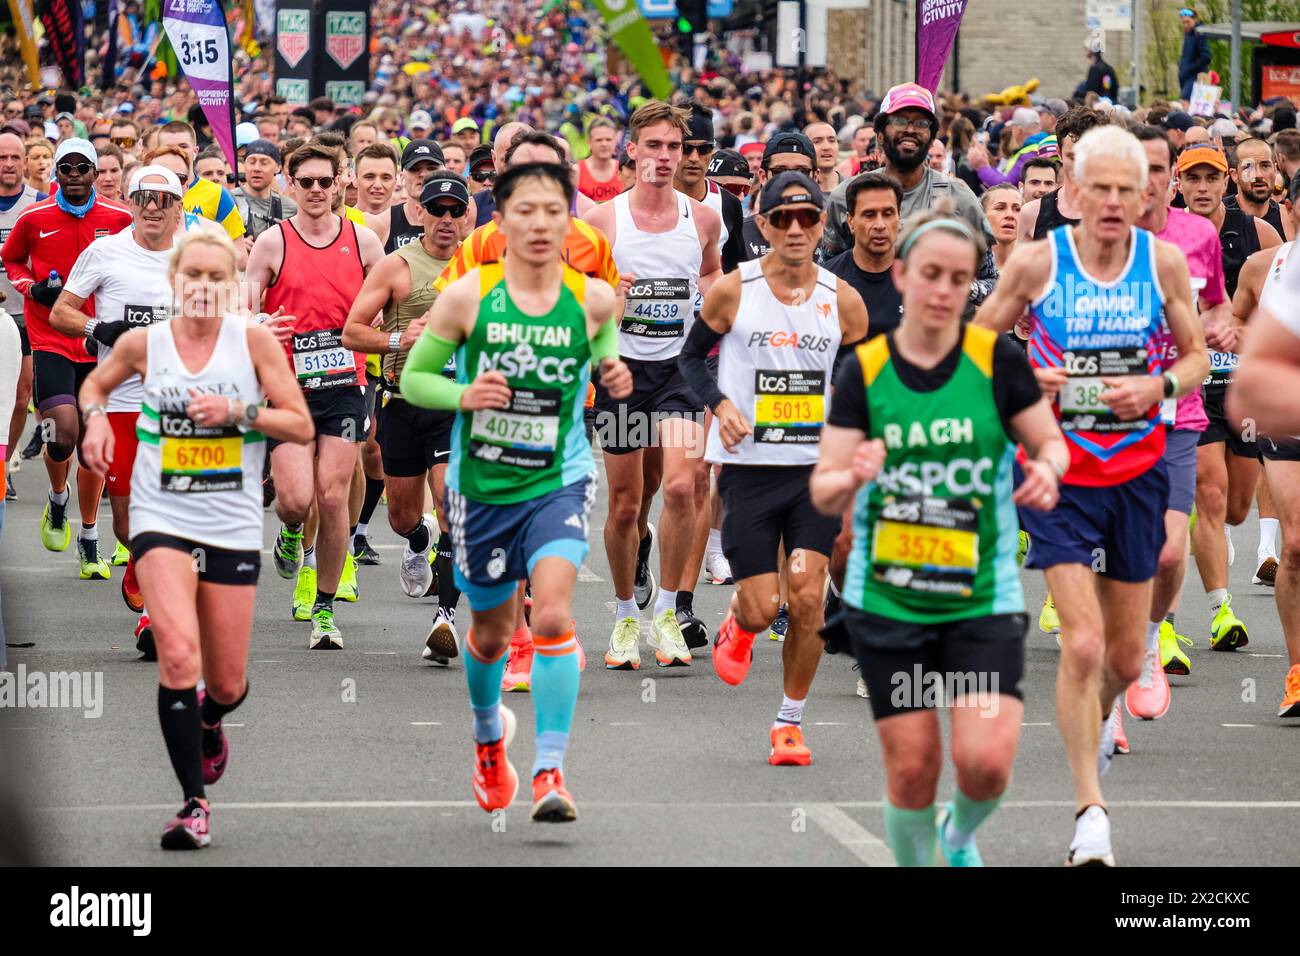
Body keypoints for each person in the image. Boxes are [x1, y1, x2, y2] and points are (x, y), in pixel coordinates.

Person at [975, 125, 1208, 866]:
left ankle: (1102, 716)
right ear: (1072, 191)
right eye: (1096, 187)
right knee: (1078, 644)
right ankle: (1091, 818)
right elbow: (976, 343)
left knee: (1117, 656)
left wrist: (1159, 384)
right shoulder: (1039, 262)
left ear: (1145, 196)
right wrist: (1022, 377)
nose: (1111, 202)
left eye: (1125, 189)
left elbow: (1199, 355)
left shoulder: (1163, 263)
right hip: (1058, 472)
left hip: (1136, 473)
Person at [812, 205, 1067, 866]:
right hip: (890, 600)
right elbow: (824, 487)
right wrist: (851, 475)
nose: (943, 289)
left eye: (959, 277)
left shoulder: (997, 360)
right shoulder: (863, 370)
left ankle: (957, 835)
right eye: (930, 273)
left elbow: (1051, 443)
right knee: (914, 768)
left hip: (981, 596)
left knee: (984, 765)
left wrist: (1045, 469)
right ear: (901, 276)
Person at [400, 161, 630, 823]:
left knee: (553, 616)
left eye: (552, 210)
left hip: (558, 476)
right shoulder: (468, 295)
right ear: (500, 219)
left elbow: (604, 338)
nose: (538, 223)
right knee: (493, 637)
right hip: (482, 486)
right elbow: (414, 379)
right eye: (523, 211)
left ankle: (550, 770)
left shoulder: (592, 298)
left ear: (570, 220)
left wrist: (610, 365)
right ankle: (486, 736)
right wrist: (464, 393)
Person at [79, 229, 313, 849]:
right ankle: (193, 805)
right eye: (194, 277)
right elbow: (95, 386)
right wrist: (97, 421)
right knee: (179, 656)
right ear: (174, 282)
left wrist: (239, 414)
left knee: (228, 682)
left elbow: (299, 421)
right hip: (163, 519)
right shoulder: (143, 344)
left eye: (218, 278)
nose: (205, 288)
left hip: (231, 522)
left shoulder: (253, 343)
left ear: (232, 285)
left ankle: (211, 718)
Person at [682, 171, 866, 765]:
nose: (794, 228)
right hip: (749, 469)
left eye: (807, 217)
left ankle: (789, 722)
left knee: (809, 597)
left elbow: (864, 375)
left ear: (820, 225)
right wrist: (721, 405)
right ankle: (742, 618)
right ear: (761, 224)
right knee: (765, 607)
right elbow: (689, 359)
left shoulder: (842, 299)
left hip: (814, 471)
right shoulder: (736, 289)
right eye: (781, 218)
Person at [437, 129, 621, 689]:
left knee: (550, 525)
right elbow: (447, 316)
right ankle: (513, 641)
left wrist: (600, 356)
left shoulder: (590, 242)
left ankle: (549, 627)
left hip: (565, 406)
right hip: (493, 419)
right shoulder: (480, 245)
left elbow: (609, 307)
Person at [582, 101, 723, 670]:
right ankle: (622, 618)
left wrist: (709, 299)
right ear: (632, 150)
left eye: (676, 148)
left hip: (680, 372)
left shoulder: (704, 218)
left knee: (685, 488)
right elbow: (580, 295)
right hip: (622, 373)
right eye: (655, 146)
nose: (665, 158)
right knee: (625, 505)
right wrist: (611, 293)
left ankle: (666, 611)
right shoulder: (601, 222)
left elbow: (712, 270)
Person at [245, 142, 386, 648]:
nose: (317, 191)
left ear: (340, 182)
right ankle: (287, 533)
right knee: (294, 500)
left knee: (331, 495)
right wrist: (262, 324)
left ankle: (324, 609)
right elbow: (245, 311)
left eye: (326, 181)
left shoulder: (365, 242)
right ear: (290, 183)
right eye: (306, 182)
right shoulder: (271, 243)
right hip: (287, 389)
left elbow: (387, 307)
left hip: (345, 385)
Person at [50, 165, 189, 656]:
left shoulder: (198, 255)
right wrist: (97, 328)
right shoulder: (105, 252)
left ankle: (155, 616)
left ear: (179, 205)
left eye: (162, 199)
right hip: (122, 405)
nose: (152, 206)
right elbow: (60, 310)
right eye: (143, 197)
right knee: (129, 524)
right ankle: (137, 563)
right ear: (130, 202)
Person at [343, 171, 473, 664]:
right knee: (401, 516)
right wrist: (401, 340)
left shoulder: (482, 265)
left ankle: (445, 618)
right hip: (401, 399)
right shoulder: (398, 266)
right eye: (435, 209)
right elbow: (352, 331)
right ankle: (419, 538)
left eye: (453, 210)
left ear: (466, 217)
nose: (444, 219)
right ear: (418, 212)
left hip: (455, 404)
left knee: (449, 502)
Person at [1, 138, 133, 575]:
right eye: (66, 168)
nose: (74, 175)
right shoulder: (34, 217)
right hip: (51, 338)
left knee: (95, 446)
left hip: (102, 342)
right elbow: (13, 260)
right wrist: (30, 289)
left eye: (83, 167)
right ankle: (59, 502)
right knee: (62, 433)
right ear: (55, 173)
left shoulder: (119, 218)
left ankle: (90, 535)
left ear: (96, 172)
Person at [1178, 142, 1280, 651]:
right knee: (1212, 492)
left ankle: (1204, 524)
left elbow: (1281, 294)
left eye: (1210, 179)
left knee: (1237, 507)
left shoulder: (1257, 232)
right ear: (1179, 185)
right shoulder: (1164, 235)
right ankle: (1221, 612)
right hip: (1192, 384)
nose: (1201, 188)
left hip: (1244, 384)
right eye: (1191, 179)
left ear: (1226, 184)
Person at [1232, 216, 1300, 718]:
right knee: (1296, 545)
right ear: (1292, 211)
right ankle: (1298, 673)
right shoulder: (1273, 267)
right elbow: (1238, 327)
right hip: (1290, 418)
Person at [823, 84, 993, 268]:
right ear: (879, 135)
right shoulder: (846, 196)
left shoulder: (958, 197)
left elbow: (988, 277)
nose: (910, 130)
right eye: (900, 121)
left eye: (921, 124)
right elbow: (829, 272)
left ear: (931, 138)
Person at [0, 132, 44, 505]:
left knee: (20, 395)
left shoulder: (37, 205)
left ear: (25, 161)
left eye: (16, 157)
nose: (9, 164)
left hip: (24, 312)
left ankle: (4, 461)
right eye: (2, 157)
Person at [823, 171, 904, 341]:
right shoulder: (826, 282)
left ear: (899, 217)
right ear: (850, 221)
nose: (880, 225)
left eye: (888, 214)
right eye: (869, 215)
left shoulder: (919, 279)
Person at [1019, 107, 1106, 243]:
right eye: (1073, 157)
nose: (1080, 166)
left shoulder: (1117, 211)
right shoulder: (1032, 213)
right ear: (1059, 153)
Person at [156, 121, 246, 243]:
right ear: (158, 151)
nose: (177, 152)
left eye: (183, 146)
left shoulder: (217, 194)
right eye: (169, 148)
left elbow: (239, 254)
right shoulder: (147, 191)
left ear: (195, 151)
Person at [966, 108, 1055, 189]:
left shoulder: (1030, 153)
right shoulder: (1039, 145)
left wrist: (982, 167)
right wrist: (990, 166)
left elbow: (1007, 185)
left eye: (1013, 127)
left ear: (1018, 130)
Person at [1225, 136, 1292, 240]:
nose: (1258, 175)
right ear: (1234, 175)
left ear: (1275, 170)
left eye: (1265, 166)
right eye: (1248, 167)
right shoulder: (1217, 216)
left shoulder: (1290, 219)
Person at [231, 139, 298, 242]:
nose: (256, 168)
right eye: (252, 162)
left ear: (278, 168)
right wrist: (236, 244)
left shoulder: (290, 208)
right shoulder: (228, 200)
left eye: (264, 163)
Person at [576, 117, 621, 203]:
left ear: (615, 141)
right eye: (599, 140)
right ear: (589, 142)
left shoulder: (624, 170)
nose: (604, 144)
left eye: (608, 139)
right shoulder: (576, 172)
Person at [353, 142, 398, 218]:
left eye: (385, 178)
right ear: (355, 180)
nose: (378, 185)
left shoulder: (412, 224)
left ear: (395, 182)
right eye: (369, 177)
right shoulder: (340, 225)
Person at [982, 184, 1021, 270]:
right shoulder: (969, 266)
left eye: (1017, 209)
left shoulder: (1034, 266)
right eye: (1000, 208)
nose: (1010, 215)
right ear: (983, 215)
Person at [1179, 8, 1212, 101]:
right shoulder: (1188, 35)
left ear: (1195, 20)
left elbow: (1206, 57)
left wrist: (1190, 68)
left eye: (1188, 22)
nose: (1185, 25)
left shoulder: (1199, 34)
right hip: (1186, 79)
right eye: (1183, 22)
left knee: (1184, 103)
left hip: (1194, 78)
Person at [805, 121, 844, 192]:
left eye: (832, 140)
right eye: (817, 141)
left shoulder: (853, 187)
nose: (827, 147)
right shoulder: (797, 190)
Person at [1080, 31, 1119, 101]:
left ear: (1092, 50)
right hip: (1110, 104)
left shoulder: (1095, 69)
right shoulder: (1109, 68)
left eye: (1086, 49)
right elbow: (1111, 89)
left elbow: (1091, 91)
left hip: (1096, 106)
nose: (1085, 52)